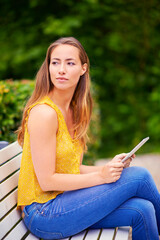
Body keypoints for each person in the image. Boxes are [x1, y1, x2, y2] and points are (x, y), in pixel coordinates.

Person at [17, 37, 160, 240]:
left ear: (83, 69)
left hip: (62, 202)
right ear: (48, 67)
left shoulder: (73, 110)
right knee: (140, 176)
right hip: (43, 213)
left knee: (142, 211)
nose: (61, 70)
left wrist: (110, 168)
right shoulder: (44, 113)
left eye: (70, 63)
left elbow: (71, 168)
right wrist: (101, 176)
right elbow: (47, 181)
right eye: (55, 62)